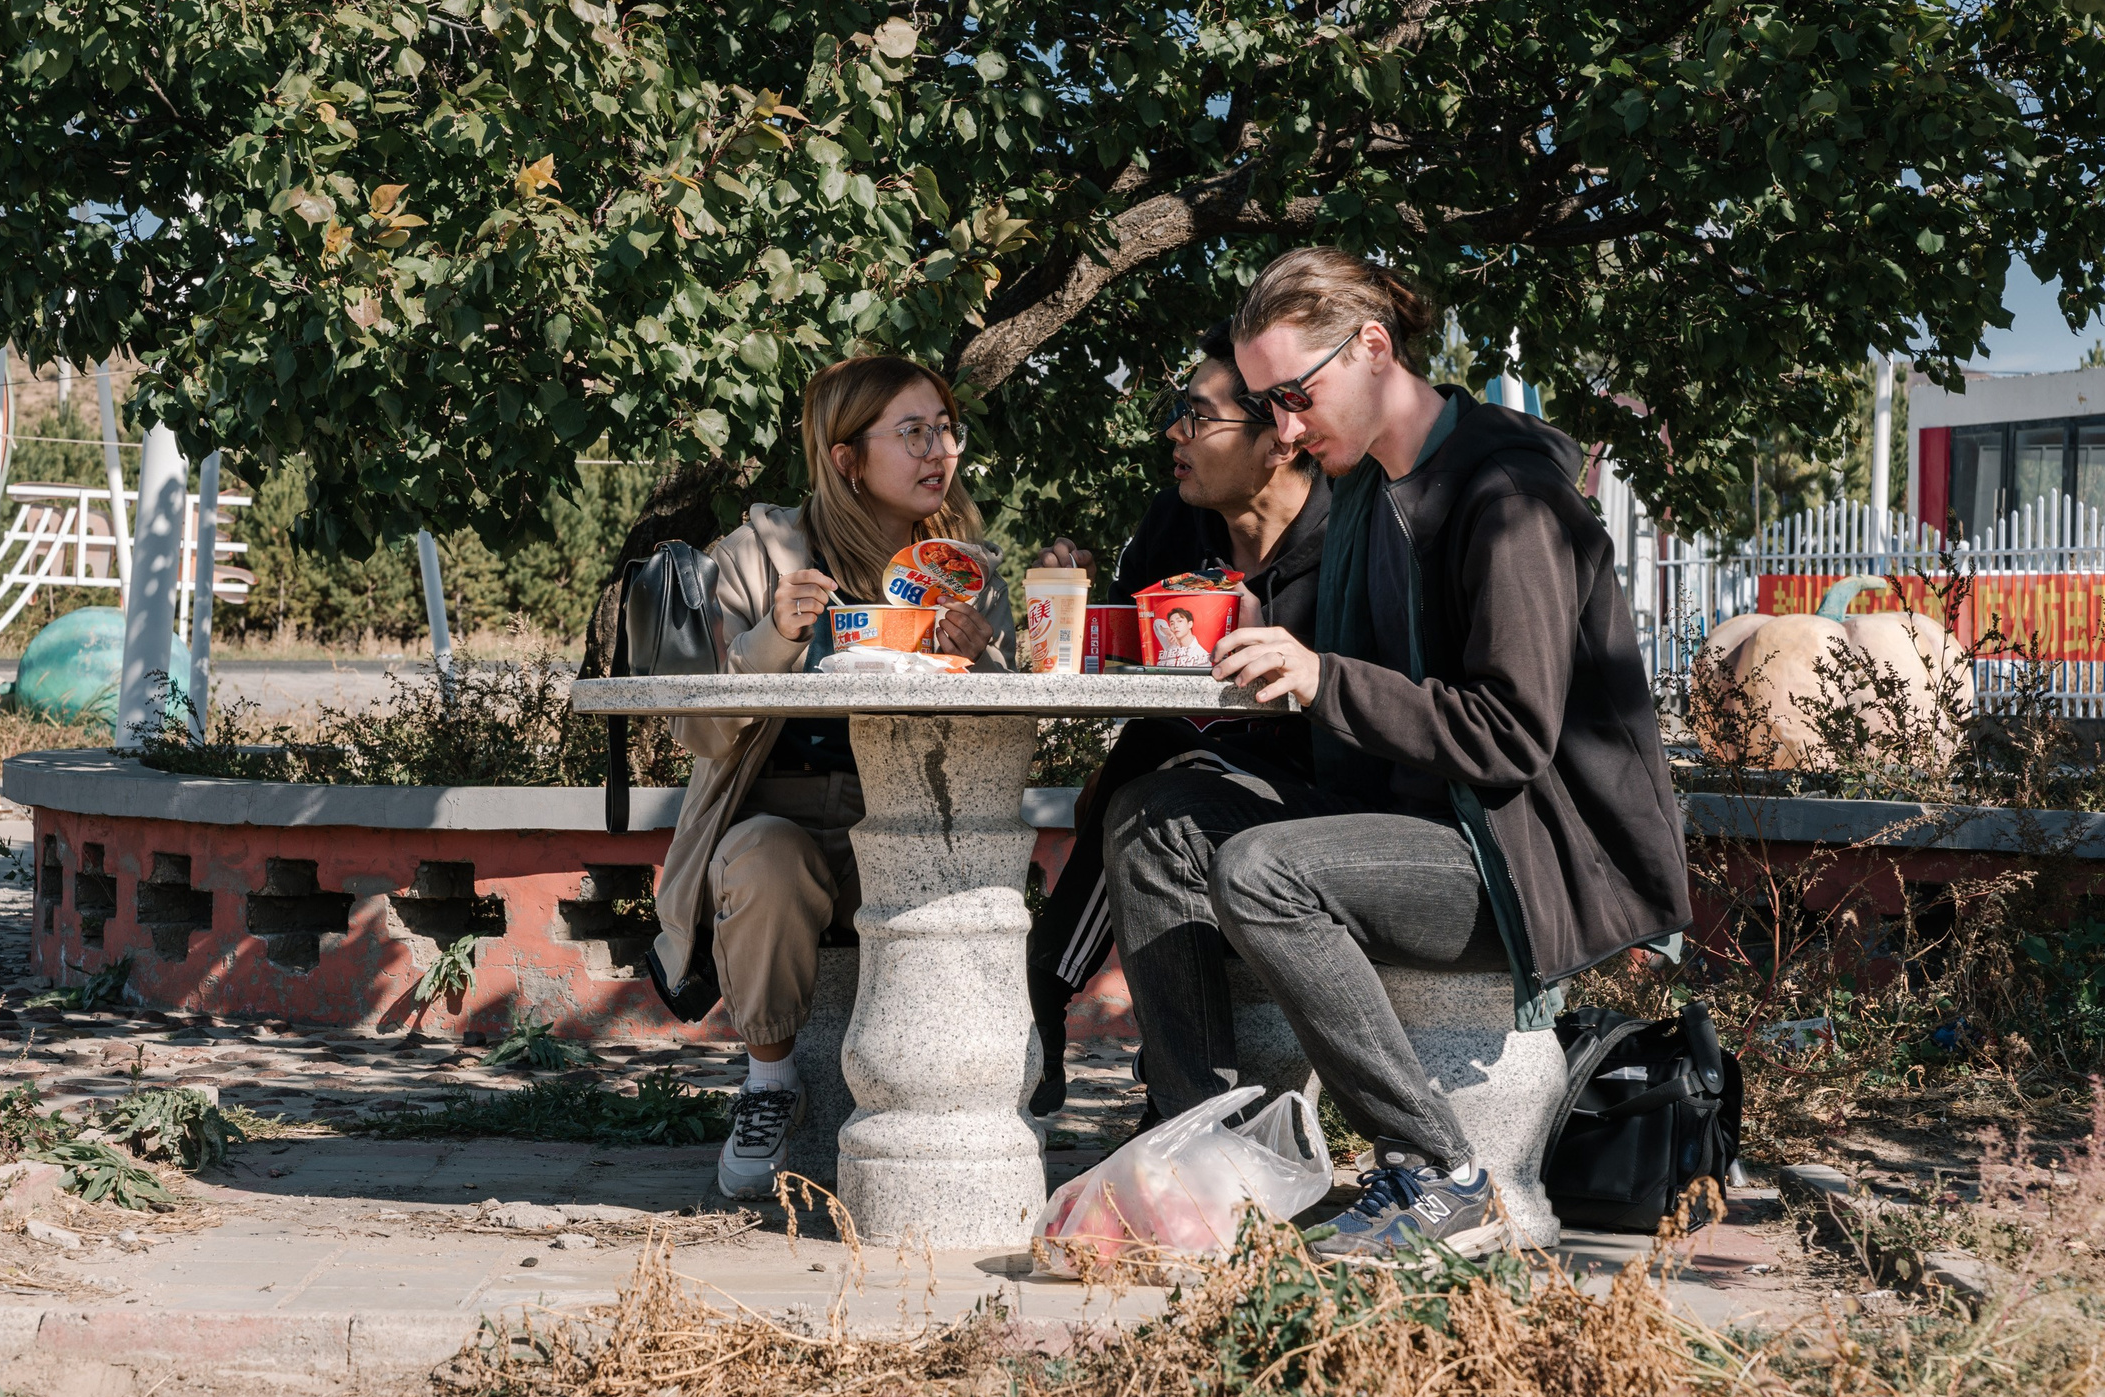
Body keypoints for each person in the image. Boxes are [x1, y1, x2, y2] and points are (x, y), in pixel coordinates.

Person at [1101, 248, 1689, 1259]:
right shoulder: (1371, 489)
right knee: (1157, 819)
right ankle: (1201, 1158)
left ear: (1372, 347)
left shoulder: (1505, 497)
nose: (1283, 428)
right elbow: (1366, 702)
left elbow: (1508, 737)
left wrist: (1323, 678)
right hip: (1408, 828)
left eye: (1295, 393)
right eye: (1264, 402)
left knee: (1262, 869)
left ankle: (1436, 1174)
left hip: (1518, 858)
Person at [647, 356, 1015, 1199]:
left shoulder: (963, 569)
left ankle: (974, 1104)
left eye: (947, 429)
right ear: (848, 459)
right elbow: (697, 726)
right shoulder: (764, 554)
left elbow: (1014, 728)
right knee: (764, 858)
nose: (940, 452)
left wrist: (981, 657)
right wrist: (774, 636)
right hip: (782, 818)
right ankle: (769, 1082)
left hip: (910, 822)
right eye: (913, 432)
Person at [1022, 323, 1329, 1115]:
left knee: (1150, 803)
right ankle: (1108, 1048)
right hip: (1171, 776)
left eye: (1198, 415)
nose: (1173, 433)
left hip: (1323, 792)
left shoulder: (1345, 541)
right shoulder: (1174, 523)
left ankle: (1170, 1095)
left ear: (1279, 444)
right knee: (1144, 786)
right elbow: (1126, 651)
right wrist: (1072, 603)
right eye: (1175, 411)